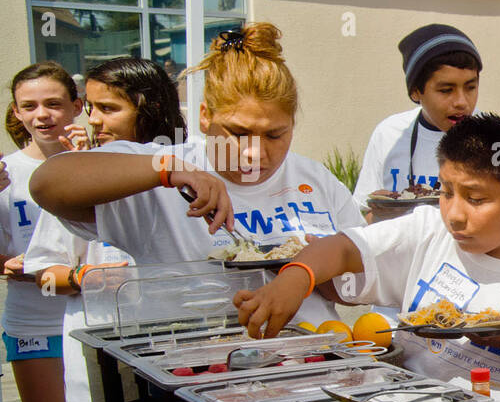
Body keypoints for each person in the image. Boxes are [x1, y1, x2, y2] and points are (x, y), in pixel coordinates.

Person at [231, 114, 500, 402]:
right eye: (445, 191)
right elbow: (344, 249)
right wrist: (296, 278)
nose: (455, 215)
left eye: (475, 199)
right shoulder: (427, 230)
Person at [30, 24, 363, 328]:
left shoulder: (315, 180)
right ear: (205, 116)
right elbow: (47, 183)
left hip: (312, 365)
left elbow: (356, 288)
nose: (256, 153)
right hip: (192, 369)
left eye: (275, 135)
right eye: (238, 132)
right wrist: (167, 171)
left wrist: (321, 266)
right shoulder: (163, 166)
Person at [25, 57, 186, 402]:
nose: (93, 119)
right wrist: (86, 278)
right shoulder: (80, 179)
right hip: (102, 351)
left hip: (181, 350)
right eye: (92, 108)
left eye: (108, 108)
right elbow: (44, 273)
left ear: (152, 106)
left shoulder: (192, 168)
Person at [0, 62, 82, 402]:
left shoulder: (105, 162)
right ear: (17, 112)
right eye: (29, 106)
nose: (42, 115)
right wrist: (6, 262)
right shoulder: (6, 170)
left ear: (77, 107)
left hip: (91, 316)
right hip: (33, 320)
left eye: (54, 103)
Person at [350, 24, 480, 222]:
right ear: (415, 92)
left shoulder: (498, 139)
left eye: (470, 87)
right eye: (446, 90)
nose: (461, 102)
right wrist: (383, 216)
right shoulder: (389, 133)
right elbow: (364, 216)